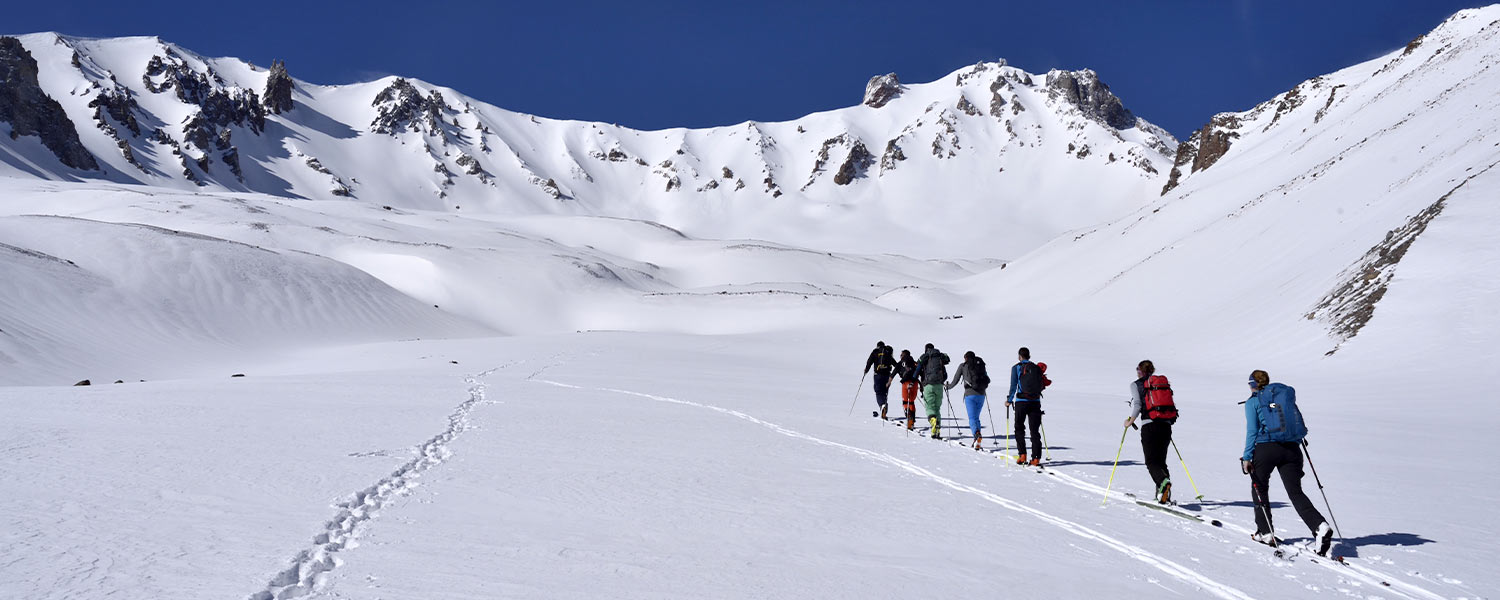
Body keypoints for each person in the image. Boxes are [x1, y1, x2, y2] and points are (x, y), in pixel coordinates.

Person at [1242, 369, 1334, 555]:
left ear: (1252, 384)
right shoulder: (1282, 400)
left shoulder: (1253, 402)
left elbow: (1252, 431)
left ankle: (1265, 531)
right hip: (1292, 449)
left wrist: (1246, 457)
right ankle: (1319, 526)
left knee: (1259, 488)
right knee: (1295, 492)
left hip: (1266, 449)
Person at [1123, 359, 1174, 504]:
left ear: (1140, 370)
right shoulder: (1160, 384)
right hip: (1165, 425)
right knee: (1161, 462)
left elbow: (1138, 405)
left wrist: (1129, 422)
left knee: (1151, 461)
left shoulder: (1136, 385)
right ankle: (1163, 495)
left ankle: (1163, 483)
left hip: (1149, 426)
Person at [1005, 347, 1045, 466]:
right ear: (1029, 356)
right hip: (1035, 401)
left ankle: (1022, 455)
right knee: (1034, 431)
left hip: (1021, 402)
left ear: (1019, 356)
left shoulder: (1016, 368)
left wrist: (1009, 400)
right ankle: (1036, 458)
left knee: (1019, 428)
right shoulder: (1036, 368)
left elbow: (1013, 386)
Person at [946, 351, 989, 449]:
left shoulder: (963, 366)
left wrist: (948, 387)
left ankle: (977, 434)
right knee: (976, 417)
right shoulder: (980, 364)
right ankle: (977, 439)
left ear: (965, 358)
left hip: (970, 395)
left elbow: (955, 380)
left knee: (972, 418)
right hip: (981, 395)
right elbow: (986, 378)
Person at [914, 343, 950, 439]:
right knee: (937, 408)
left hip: (928, 385)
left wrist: (914, 379)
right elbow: (945, 374)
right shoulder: (939, 357)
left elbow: (917, 369)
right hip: (939, 386)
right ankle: (936, 431)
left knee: (929, 407)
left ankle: (933, 421)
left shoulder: (925, 356)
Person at [863, 341, 897, 419]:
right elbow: (895, 364)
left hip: (878, 375)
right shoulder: (887, 352)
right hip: (887, 375)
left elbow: (869, 361)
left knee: (878, 392)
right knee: (885, 392)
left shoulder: (875, 352)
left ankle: (882, 405)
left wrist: (866, 370)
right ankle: (884, 406)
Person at [897, 349, 920, 430]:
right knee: (912, 402)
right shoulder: (915, 363)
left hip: (906, 383)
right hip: (915, 383)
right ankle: (912, 420)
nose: (900, 356)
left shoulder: (902, 363)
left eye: (901, 354)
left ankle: (909, 416)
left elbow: (895, 371)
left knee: (905, 401)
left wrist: (889, 380)